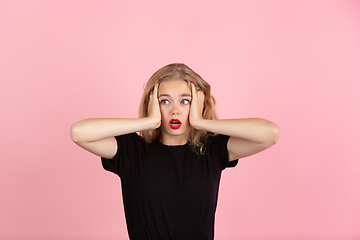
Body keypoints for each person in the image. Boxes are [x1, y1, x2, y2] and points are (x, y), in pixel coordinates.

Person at [70, 63, 280, 240]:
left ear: (197, 104)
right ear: (153, 104)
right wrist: (149, 121)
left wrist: (201, 121)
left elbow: (270, 133)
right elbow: (79, 132)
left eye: (185, 101)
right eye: (165, 101)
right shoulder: (131, 151)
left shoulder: (212, 150)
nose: (175, 110)